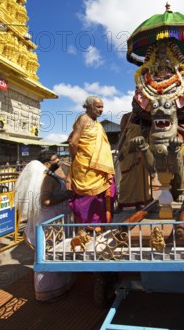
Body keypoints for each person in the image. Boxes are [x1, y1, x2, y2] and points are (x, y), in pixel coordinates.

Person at [14, 150, 73, 301]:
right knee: (48, 254)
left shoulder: (50, 175)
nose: (59, 161)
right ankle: (47, 291)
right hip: (49, 223)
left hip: (54, 222)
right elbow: (45, 201)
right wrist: (66, 195)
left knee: (55, 253)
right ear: (47, 164)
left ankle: (58, 287)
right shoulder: (46, 177)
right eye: (55, 160)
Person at [67, 96, 116, 225]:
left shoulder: (98, 124)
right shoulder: (83, 119)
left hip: (99, 169)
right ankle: (85, 228)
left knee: (100, 198)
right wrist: (74, 160)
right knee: (86, 199)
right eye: (98, 107)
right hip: (84, 166)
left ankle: (98, 226)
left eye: (102, 107)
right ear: (88, 107)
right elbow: (73, 143)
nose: (101, 110)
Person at [116, 112, 151, 211]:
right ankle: (121, 204)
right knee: (126, 178)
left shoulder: (147, 116)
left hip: (142, 152)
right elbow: (122, 134)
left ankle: (139, 203)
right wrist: (119, 150)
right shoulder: (127, 116)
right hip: (128, 152)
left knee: (141, 180)